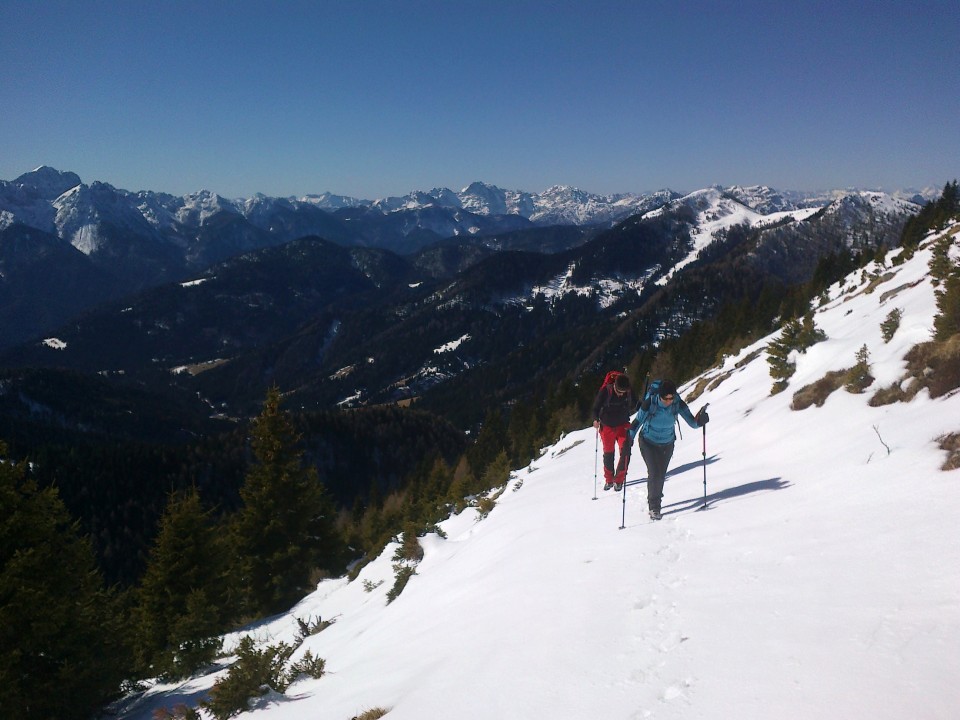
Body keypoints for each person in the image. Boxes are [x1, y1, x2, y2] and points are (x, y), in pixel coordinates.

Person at [631, 379, 709, 520]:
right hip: (647, 442)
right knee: (654, 473)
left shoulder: (677, 403)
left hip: (667, 444)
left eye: (671, 398)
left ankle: (655, 502)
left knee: (660, 475)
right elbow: (637, 422)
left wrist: (701, 420)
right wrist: (628, 439)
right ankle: (654, 507)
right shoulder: (650, 403)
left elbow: (692, 422)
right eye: (665, 398)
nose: (668, 401)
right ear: (659, 396)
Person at [592, 373, 637, 492]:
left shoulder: (628, 391)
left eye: (623, 392)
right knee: (608, 453)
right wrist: (595, 419)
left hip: (623, 425)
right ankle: (609, 479)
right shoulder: (606, 391)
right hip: (607, 427)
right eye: (619, 391)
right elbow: (595, 407)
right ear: (614, 387)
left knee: (626, 451)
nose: (621, 394)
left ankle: (619, 480)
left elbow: (636, 404)